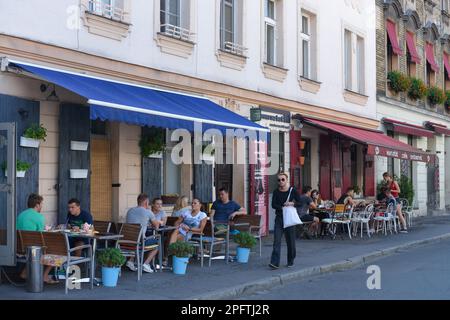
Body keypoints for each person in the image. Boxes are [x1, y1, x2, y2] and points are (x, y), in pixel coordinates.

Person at [17, 194, 56, 284]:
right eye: (41, 204)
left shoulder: (21, 214)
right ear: (37, 205)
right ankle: (45, 276)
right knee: (55, 251)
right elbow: (41, 234)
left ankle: (24, 273)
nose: (42, 206)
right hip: (32, 250)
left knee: (35, 246)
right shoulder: (39, 217)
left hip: (19, 248)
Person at [269, 172, 302, 270]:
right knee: (276, 241)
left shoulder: (293, 191)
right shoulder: (276, 192)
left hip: (289, 219)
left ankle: (290, 260)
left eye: (283, 179)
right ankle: (275, 263)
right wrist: (282, 207)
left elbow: (300, 203)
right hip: (279, 218)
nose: (281, 181)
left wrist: (292, 203)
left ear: (287, 180)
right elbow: (273, 205)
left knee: (290, 241)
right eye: (279, 180)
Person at [126, 194, 162, 273]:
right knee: (157, 243)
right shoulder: (148, 212)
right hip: (140, 241)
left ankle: (130, 261)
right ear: (146, 202)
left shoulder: (130, 211)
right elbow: (156, 227)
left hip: (128, 240)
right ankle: (145, 264)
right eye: (148, 202)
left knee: (137, 238)